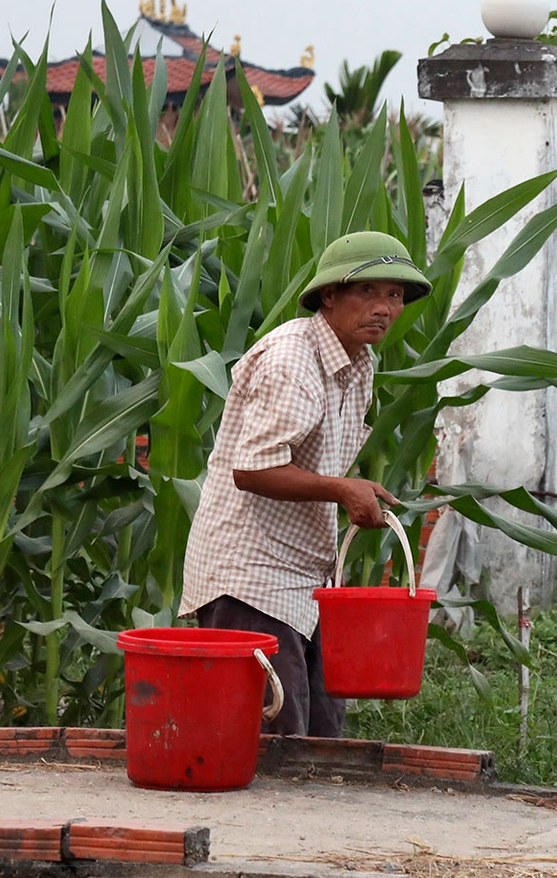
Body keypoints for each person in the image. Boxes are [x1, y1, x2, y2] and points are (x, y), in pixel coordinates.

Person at [178, 230, 432, 736]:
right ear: (329, 296)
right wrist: (342, 489)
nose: (384, 308)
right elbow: (252, 468)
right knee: (275, 742)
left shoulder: (359, 364)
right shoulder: (293, 359)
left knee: (321, 737)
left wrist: (347, 486)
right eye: (369, 291)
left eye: (395, 295)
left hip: (307, 580)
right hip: (250, 578)